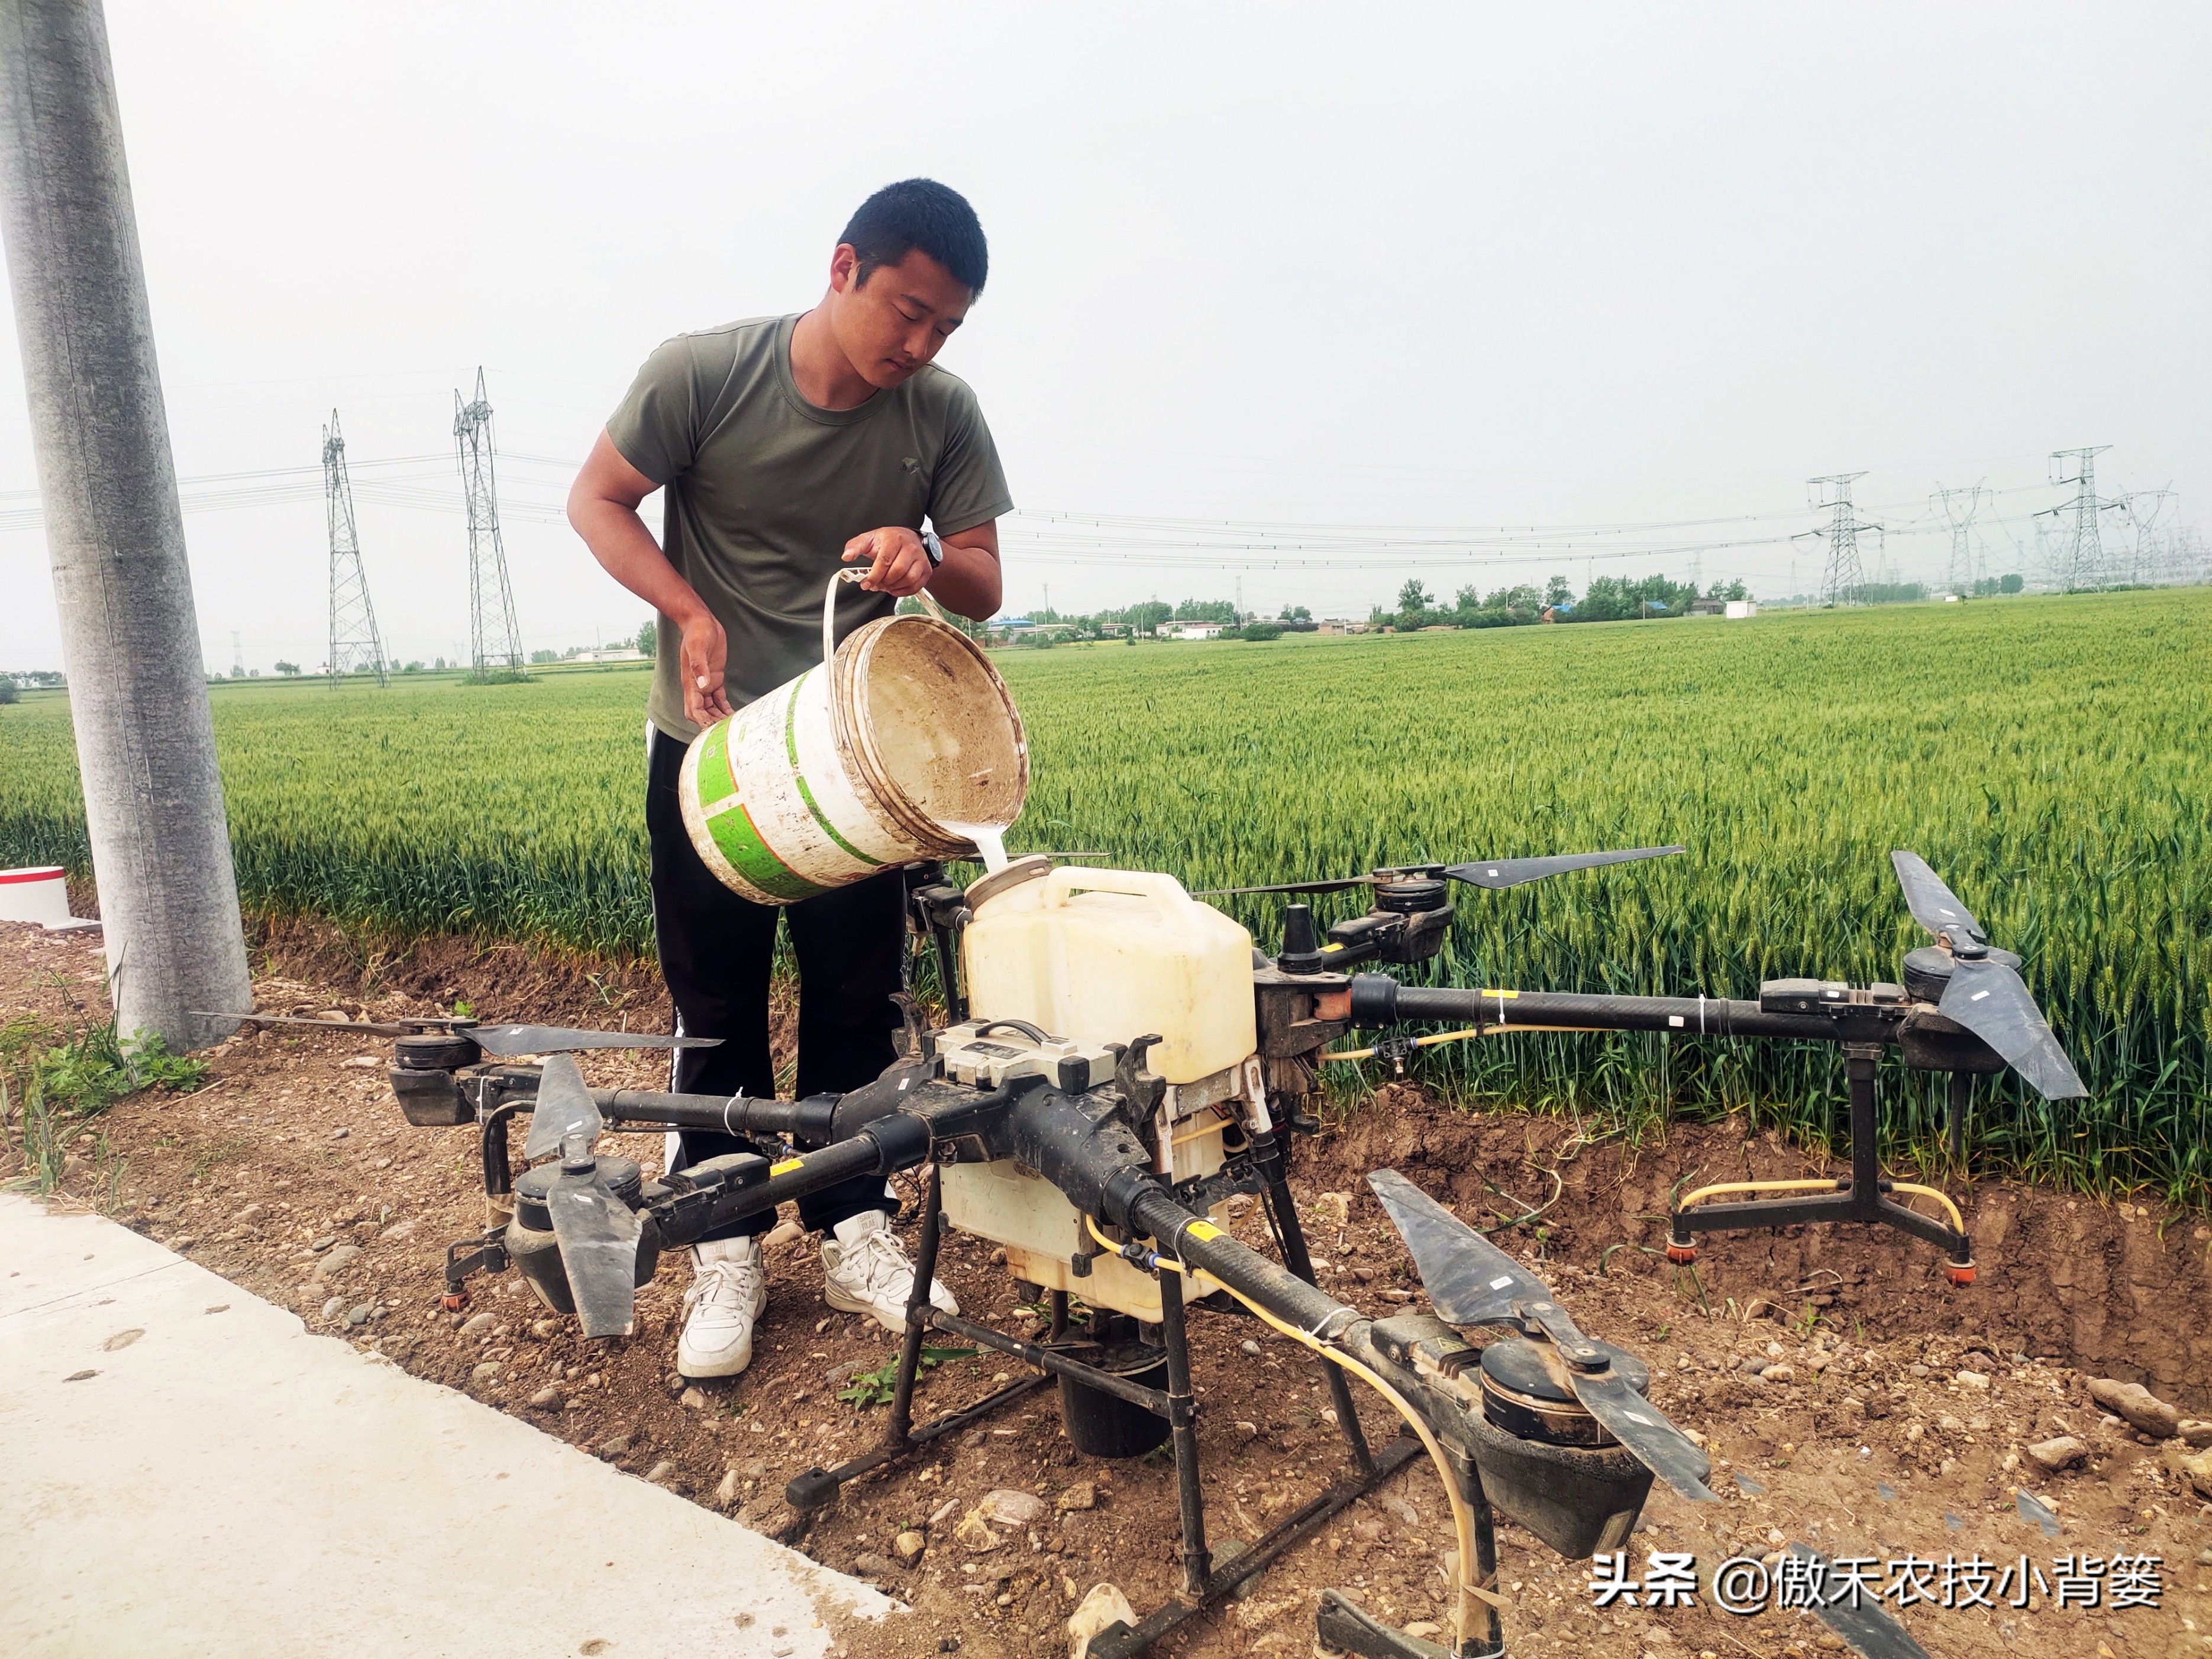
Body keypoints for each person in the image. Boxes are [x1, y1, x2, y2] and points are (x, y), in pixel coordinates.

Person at [567, 179, 1009, 1379]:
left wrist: (925, 559)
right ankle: (724, 1231)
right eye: (907, 311)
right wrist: (683, 608)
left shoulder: (942, 415)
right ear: (842, 266)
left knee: (852, 1001)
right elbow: (596, 500)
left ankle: (846, 1219)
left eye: (945, 329)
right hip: (709, 751)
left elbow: (983, 578)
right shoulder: (701, 374)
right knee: (713, 1004)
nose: (918, 346)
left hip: (854, 765)